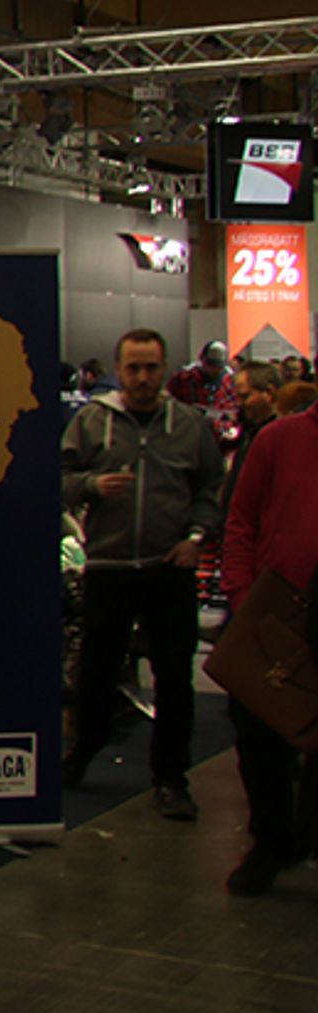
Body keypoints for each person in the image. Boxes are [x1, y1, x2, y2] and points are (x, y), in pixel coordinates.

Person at [61, 328, 224, 818]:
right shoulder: (92, 422)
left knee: (175, 678)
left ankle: (171, 778)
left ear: (165, 368)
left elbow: (211, 489)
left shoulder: (190, 426)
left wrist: (195, 539)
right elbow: (58, 481)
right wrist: (91, 484)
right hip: (109, 568)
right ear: (119, 369)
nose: (142, 377)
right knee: (96, 671)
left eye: (151, 367)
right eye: (133, 367)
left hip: (167, 567)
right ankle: (83, 751)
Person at [220, 391, 318, 894]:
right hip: (273, 613)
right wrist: (241, 597)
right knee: (258, 733)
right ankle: (273, 841)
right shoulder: (278, 441)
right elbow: (241, 520)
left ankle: (308, 835)